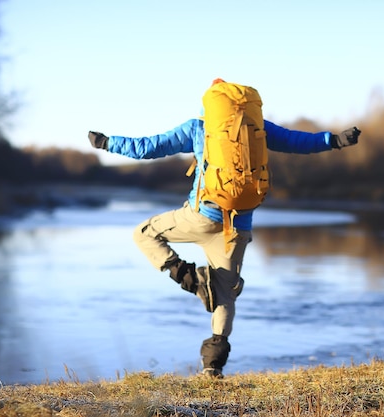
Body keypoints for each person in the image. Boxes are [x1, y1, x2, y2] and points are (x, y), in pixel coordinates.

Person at [88, 80, 360, 378]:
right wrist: (334, 140)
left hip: (201, 216)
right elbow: (297, 141)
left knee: (144, 233)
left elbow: (149, 148)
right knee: (225, 294)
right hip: (238, 226)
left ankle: (190, 278)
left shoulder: (198, 127)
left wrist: (108, 142)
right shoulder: (257, 128)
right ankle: (212, 367)